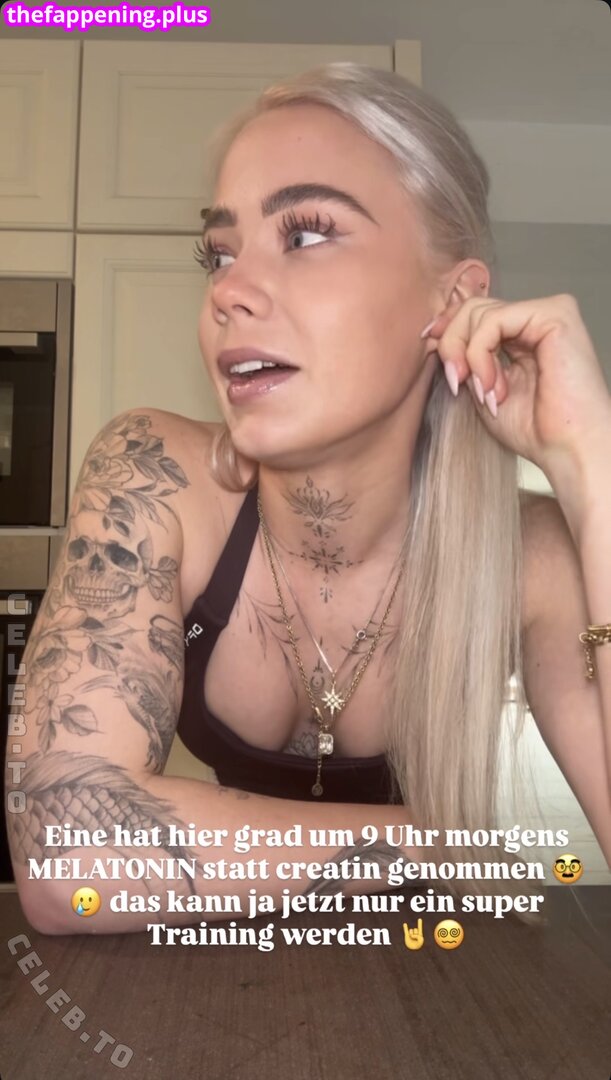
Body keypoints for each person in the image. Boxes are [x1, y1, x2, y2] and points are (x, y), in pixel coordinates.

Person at [7, 63, 611, 937]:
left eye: (307, 233)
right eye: (218, 253)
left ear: (452, 301)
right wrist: (440, 847)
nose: (227, 291)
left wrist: (591, 465)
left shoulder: (529, 554)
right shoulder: (153, 477)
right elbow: (68, 861)